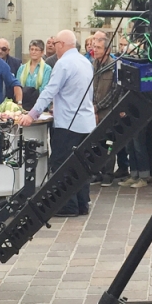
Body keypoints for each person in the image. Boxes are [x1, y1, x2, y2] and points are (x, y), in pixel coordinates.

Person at [18, 30, 95, 216]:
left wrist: (32, 115)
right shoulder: (85, 62)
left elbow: (49, 91)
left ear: (61, 44)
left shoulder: (63, 64)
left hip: (68, 123)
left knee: (62, 165)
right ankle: (82, 203)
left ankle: (67, 206)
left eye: (55, 44)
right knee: (81, 165)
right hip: (86, 122)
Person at [90, 35, 121, 186]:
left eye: (98, 48)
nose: (94, 50)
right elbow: (91, 89)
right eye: (94, 47)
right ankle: (97, 172)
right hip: (94, 111)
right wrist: (93, 107)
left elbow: (114, 92)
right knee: (96, 142)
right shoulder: (93, 64)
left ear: (107, 50)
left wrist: (98, 107)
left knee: (109, 142)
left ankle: (108, 173)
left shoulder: (114, 66)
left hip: (108, 111)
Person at [17, 39, 52, 112]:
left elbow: (44, 89)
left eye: (36, 50)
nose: (33, 52)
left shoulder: (47, 69)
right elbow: (18, 87)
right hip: (23, 106)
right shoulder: (22, 68)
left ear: (42, 52)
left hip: (40, 106)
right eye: (31, 49)